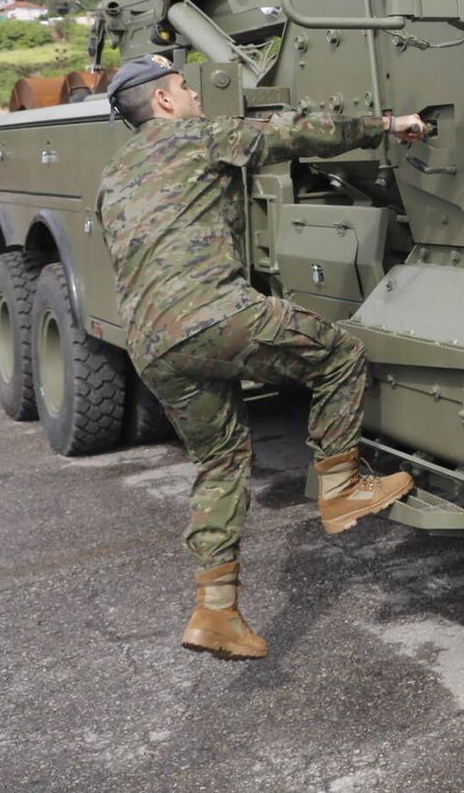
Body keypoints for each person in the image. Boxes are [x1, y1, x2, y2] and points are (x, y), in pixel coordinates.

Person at [94, 54, 427, 661]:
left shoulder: (114, 173)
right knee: (341, 355)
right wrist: (385, 124)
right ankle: (341, 484)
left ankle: (215, 611)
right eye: (185, 88)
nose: (195, 95)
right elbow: (292, 133)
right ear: (164, 103)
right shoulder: (196, 136)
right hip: (213, 315)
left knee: (220, 463)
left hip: (151, 344)